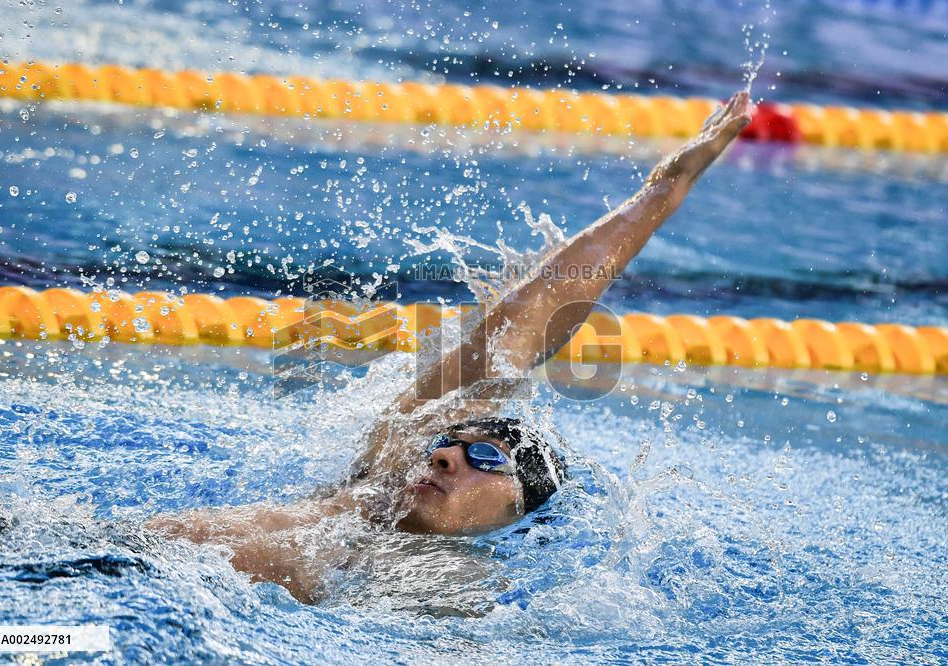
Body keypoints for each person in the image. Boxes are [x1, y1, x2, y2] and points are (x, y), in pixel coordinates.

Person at [146, 90, 754, 604]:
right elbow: (520, 326)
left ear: (518, 513)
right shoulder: (380, 478)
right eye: (450, 444)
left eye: (485, 459)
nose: (445, 457)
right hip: (122, 554)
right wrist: (664, 189)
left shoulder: (449, 586)